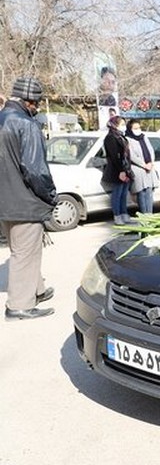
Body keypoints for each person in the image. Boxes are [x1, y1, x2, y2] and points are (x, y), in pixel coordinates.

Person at [0, 77, 58, 319]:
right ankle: (19, 306)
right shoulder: (26, 124)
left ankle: (37, 289)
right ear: (30, 102)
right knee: (24, 253)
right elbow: (35, 169)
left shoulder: (2, 118)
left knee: (24, 250)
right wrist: (51, 194)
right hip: (24, 201)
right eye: (36, 103)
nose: (37, 107)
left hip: (5, 200)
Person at [101, 115, 133, 225]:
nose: (124, 127)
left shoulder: (122, 137)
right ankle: (117, 215)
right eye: (122, 125)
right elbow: (115, 156)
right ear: (115, 125)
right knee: (117, 194)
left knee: (124, 194)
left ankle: (124, 213)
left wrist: (126, 169)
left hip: (125, 168)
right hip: (117, 170)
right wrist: (121, 171)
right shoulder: (110, 138)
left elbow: (126, 154)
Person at [126, 119, 159, 215]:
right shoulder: (128, 139)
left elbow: (151, 150)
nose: (137, 130)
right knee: (141, 192)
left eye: (138, 128)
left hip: (149, 168)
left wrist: (151, 162)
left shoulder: (144, 137)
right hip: (138, 168)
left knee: (149, 191)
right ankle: (144, 214)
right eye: (135, 128)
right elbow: (131, 155)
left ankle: (150, 213)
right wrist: (143, 165)